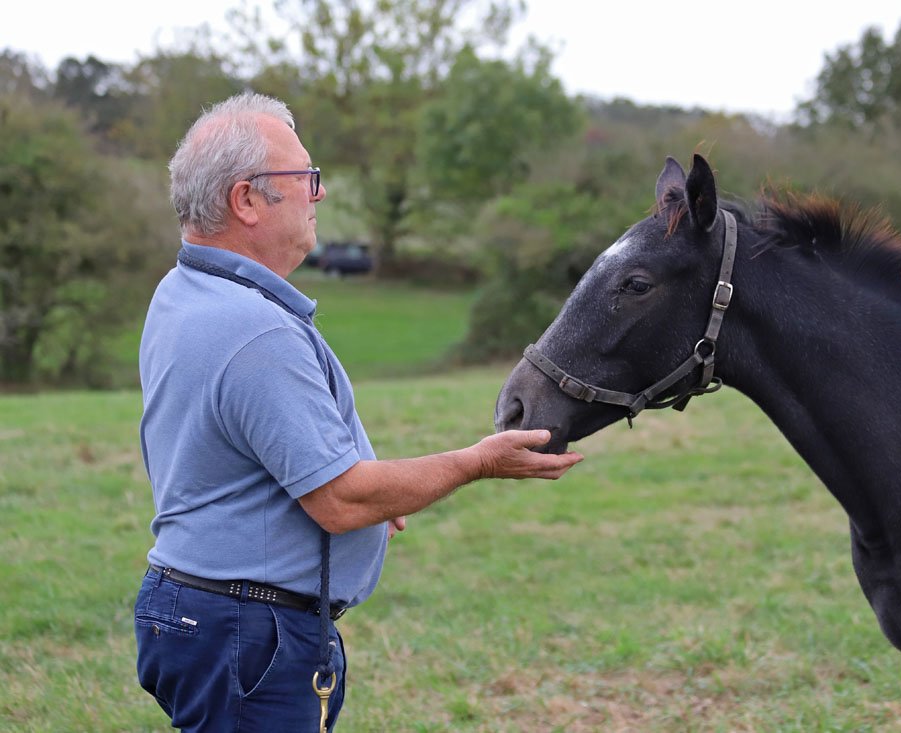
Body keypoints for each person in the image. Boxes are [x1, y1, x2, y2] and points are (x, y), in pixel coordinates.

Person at [134, 92, 583, 732]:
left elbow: (244, 451)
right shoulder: (256, 331)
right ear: (247, 200)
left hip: (201, 610)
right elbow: (340, 501)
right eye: (305, 177)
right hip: (246, 629)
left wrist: (376, 490)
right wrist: (477, 462)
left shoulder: (184, 292)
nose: (319, 192)